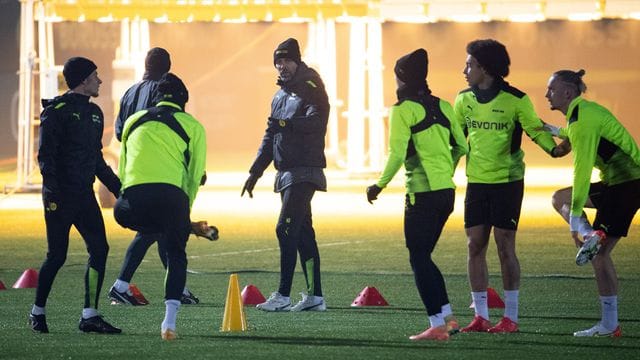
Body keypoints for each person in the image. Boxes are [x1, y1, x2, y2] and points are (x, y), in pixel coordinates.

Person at [453, 39, 566, 333]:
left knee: (505, 247)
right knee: (474, 245)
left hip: (507, 184)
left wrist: (556, 149)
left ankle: (511, 318)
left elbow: (535, 132)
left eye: (469, 65)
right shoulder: (463, 100)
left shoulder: (517, 100)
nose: (464, 70)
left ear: (485, 68)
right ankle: (480, 316)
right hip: (476, 183)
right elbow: (455, 142)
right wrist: (444, 174)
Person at [366, 49, 468, 341]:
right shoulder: (445, 106)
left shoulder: (402, 110)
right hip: (446, 193)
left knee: (419, 258)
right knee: (424, 257)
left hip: (421, 195)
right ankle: (448, 318)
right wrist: (445, 169)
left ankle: (437, 325)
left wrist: (379, 185)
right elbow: (462, 146)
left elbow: (397, 153)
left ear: (401, 77)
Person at [30, 57, 122, 334]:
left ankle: (90, 316)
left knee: (100, 249)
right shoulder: (56, 110)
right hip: (60, 197)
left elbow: (96, 159)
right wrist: (53, 193)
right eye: (95, 75)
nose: (100, 80)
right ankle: (37, 312)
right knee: (57, 256)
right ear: (83, 80)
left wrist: (119, 190)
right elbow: (45, 156)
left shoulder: (95, 114)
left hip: (84, 196)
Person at [544, 69, 640, 337]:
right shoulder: (581, 113)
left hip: (627, 183)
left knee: (600, 255)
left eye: (551, 89)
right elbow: (576, 135)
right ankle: (590, 235)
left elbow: (582, 172)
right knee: (558, 198)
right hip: (620, 182)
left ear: (567, 92)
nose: (546, 94)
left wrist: (574, 221)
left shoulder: (582, 120)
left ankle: (610, 325)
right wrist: (553, 130)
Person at [107, 47, 205, 306]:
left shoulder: (129, 92)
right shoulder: (162, 92)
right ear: (168, 67)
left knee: (158, 230)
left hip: (134, 171)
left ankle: (171, 287)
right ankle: (134, 285)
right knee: (161, 229)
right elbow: (161, 129)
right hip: (159, 172)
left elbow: (120, 132)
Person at [241, 38, 329, 312]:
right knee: (303, 233)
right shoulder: (279, 96)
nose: (281, 66)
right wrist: (255, 172)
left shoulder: (311, 87)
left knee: (285, 228)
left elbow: (317, 122)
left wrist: (285, 124)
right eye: (277, 62)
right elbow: (270, 135)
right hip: (287, 173)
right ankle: (315, 298)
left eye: (286, 60)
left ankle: (282, 295)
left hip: (305, 170)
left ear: (297, 60)